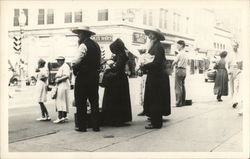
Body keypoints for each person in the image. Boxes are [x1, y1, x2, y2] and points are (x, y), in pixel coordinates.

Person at [72, 26, 101, 132]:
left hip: (83, 77)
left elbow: (76, 61)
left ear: (84, 34)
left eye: (79, 34)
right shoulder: (96, 45)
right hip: (94, 77)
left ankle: (82, 126)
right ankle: (96, 125)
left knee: (81, 101)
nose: (78, 36)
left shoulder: (83, 45)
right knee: (94, 101)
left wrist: (74, 67)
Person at [141, 28, 171, 129]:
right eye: (148, 34)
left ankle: (156, 123)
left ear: (155, 36)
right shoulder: (155, 46)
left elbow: (157, 63)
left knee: (155, 99)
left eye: (151, 34)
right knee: (154, 99)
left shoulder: (158, 47)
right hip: (155, 75)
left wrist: (144, 66)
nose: (149, 36)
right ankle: (155, 121)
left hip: (157, 77)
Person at [102, 38, 132, 126]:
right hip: (120, 78)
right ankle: (120, 118)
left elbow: (118, 67)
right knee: (120, 99)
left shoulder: (121, 55)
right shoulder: (121, 54)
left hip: (117, 79)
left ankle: (115, 119)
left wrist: (109, 68)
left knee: (115, 98)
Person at [53, 56, 71, 124]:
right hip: (64, 85)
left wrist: (58, 79)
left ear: (62, 60)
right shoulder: (64, 66)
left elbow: (67, 76)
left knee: (59, 100)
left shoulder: (65, 66)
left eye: (58, 60)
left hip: (62, 84)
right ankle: (64, 116)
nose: (57, 62)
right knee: (64, 100)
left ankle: (60, 117)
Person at [171, 40, 188, 107]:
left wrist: (171, 67)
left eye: (177, 45)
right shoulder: (185, 53)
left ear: (181, 45)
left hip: (179, 70)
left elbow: (174, 62)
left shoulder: (179, 53)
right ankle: (183, 101)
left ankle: (178, 102)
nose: (177, 47)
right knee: (183, 86)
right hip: (184, 70)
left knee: (178, 87)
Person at [228, 42, 243, 115]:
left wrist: (240, 70)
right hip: (231, 70)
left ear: (238, 46)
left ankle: (236, 100)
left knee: (237, 86)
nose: (234, 47)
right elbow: (228, 63)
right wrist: (229, 70)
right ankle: (233, 100)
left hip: (238, 70)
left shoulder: (240, 53)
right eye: (233, 46)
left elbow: (241, 62)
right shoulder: (230, 53)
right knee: (232, 87)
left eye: (236, 46)